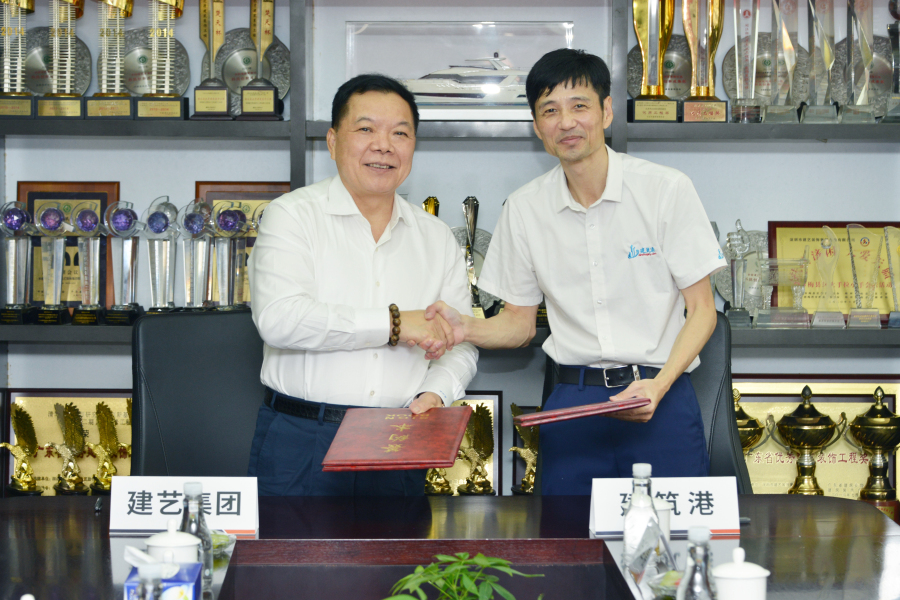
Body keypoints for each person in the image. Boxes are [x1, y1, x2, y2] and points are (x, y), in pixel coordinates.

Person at [426, 49, 726, 495]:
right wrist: (464, 327)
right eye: (550, 110)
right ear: (537, 126)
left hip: (659, 395)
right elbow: (519, 324)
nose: (566, 122)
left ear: (606, 111)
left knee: (671, 535)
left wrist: (659, 386)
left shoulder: (665, 189)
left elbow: (702, 310)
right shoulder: (525, 208)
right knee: (567, 535)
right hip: (574, 404)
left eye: (579, 105)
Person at [246, 74, 478, 497]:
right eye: (366, 129)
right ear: (333, 141)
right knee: (288, 544)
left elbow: (460, 340)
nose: (383, 145)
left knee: (403, 544)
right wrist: (395, 324)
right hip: (302, 438)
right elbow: (279, 320)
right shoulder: (291, 216)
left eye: (400, 133)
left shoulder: (436, 236)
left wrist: (437, 391)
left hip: (400, 435)